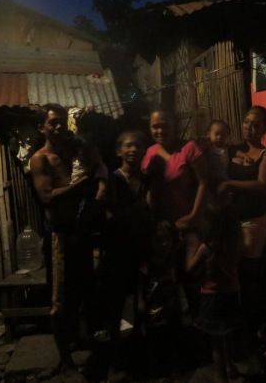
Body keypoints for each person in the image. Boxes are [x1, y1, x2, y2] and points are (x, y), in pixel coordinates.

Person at [29, 103, 94, 379]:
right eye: (53, 122)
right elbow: (47, 197)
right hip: (58, 235)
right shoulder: (40, 159)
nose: (58, 127)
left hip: (77, 231)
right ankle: (65, 360)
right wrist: (80, 185)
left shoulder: (70, 153)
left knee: (79, 291)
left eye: (62, 121)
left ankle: (77, 341)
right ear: (42, 127)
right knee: (59, 300)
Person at [141, 109, 208, 317]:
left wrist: (194, 215)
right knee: (167, 283)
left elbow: (204, 183)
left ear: (174, 125)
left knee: (192, 278)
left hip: (189, 226)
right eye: (155, 126)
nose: (160, 130)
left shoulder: (189, 148)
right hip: (163, 229)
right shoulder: (150, 152)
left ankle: (199, 327)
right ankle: (174, 327)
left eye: (165, 125)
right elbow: (147, 187)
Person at [217, 106, 266, 320]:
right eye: (246, 122)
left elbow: (262, 185)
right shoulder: (233, 149)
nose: (249, 127)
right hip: (230, 219)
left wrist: (230, 184)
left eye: (255, 124)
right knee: (229, 268)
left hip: (252, 221)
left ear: (264, 130)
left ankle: (251, 318)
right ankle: (233, 315)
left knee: (249, 270)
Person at [102, 130, 151, 380]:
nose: (134, 149)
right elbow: (110, 214)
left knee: (143, 299)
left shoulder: (146, 179)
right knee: (117, 303)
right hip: (118, 250)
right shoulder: (112, 179)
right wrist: (138, 208)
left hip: (142, 246)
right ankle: (115, 354)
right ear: (119, 151)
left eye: (138, 145)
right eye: (129, 145)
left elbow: (151, 211)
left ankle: (138, 347)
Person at [186, 203, 244, 383]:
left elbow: (190, 268)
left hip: (213, 297)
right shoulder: (235, 243)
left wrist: (190, 247)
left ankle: (221, 378)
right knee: (227, 332)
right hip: (233, 293)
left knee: (216, 342)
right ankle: (230, 367)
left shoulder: (207, 247)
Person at [137, 220, 183, 377]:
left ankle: (173, 365)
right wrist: (141, 301)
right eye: (159, 240)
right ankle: (156, 367)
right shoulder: (147, 262)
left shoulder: (173, 257)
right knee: (155, 338)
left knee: (172, 335)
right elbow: (140, 281)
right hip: (153, 308)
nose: (164, 244)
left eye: (167, 239)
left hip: (171, 306)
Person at [203, 120, 231, 192]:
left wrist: (244, 155)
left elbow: (237, 152)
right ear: (209, 134)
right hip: (210, 177)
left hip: (223, 177)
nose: (219, 137)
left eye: (223, 135)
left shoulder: (227, 148)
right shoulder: (208, 147)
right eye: (216, 134)